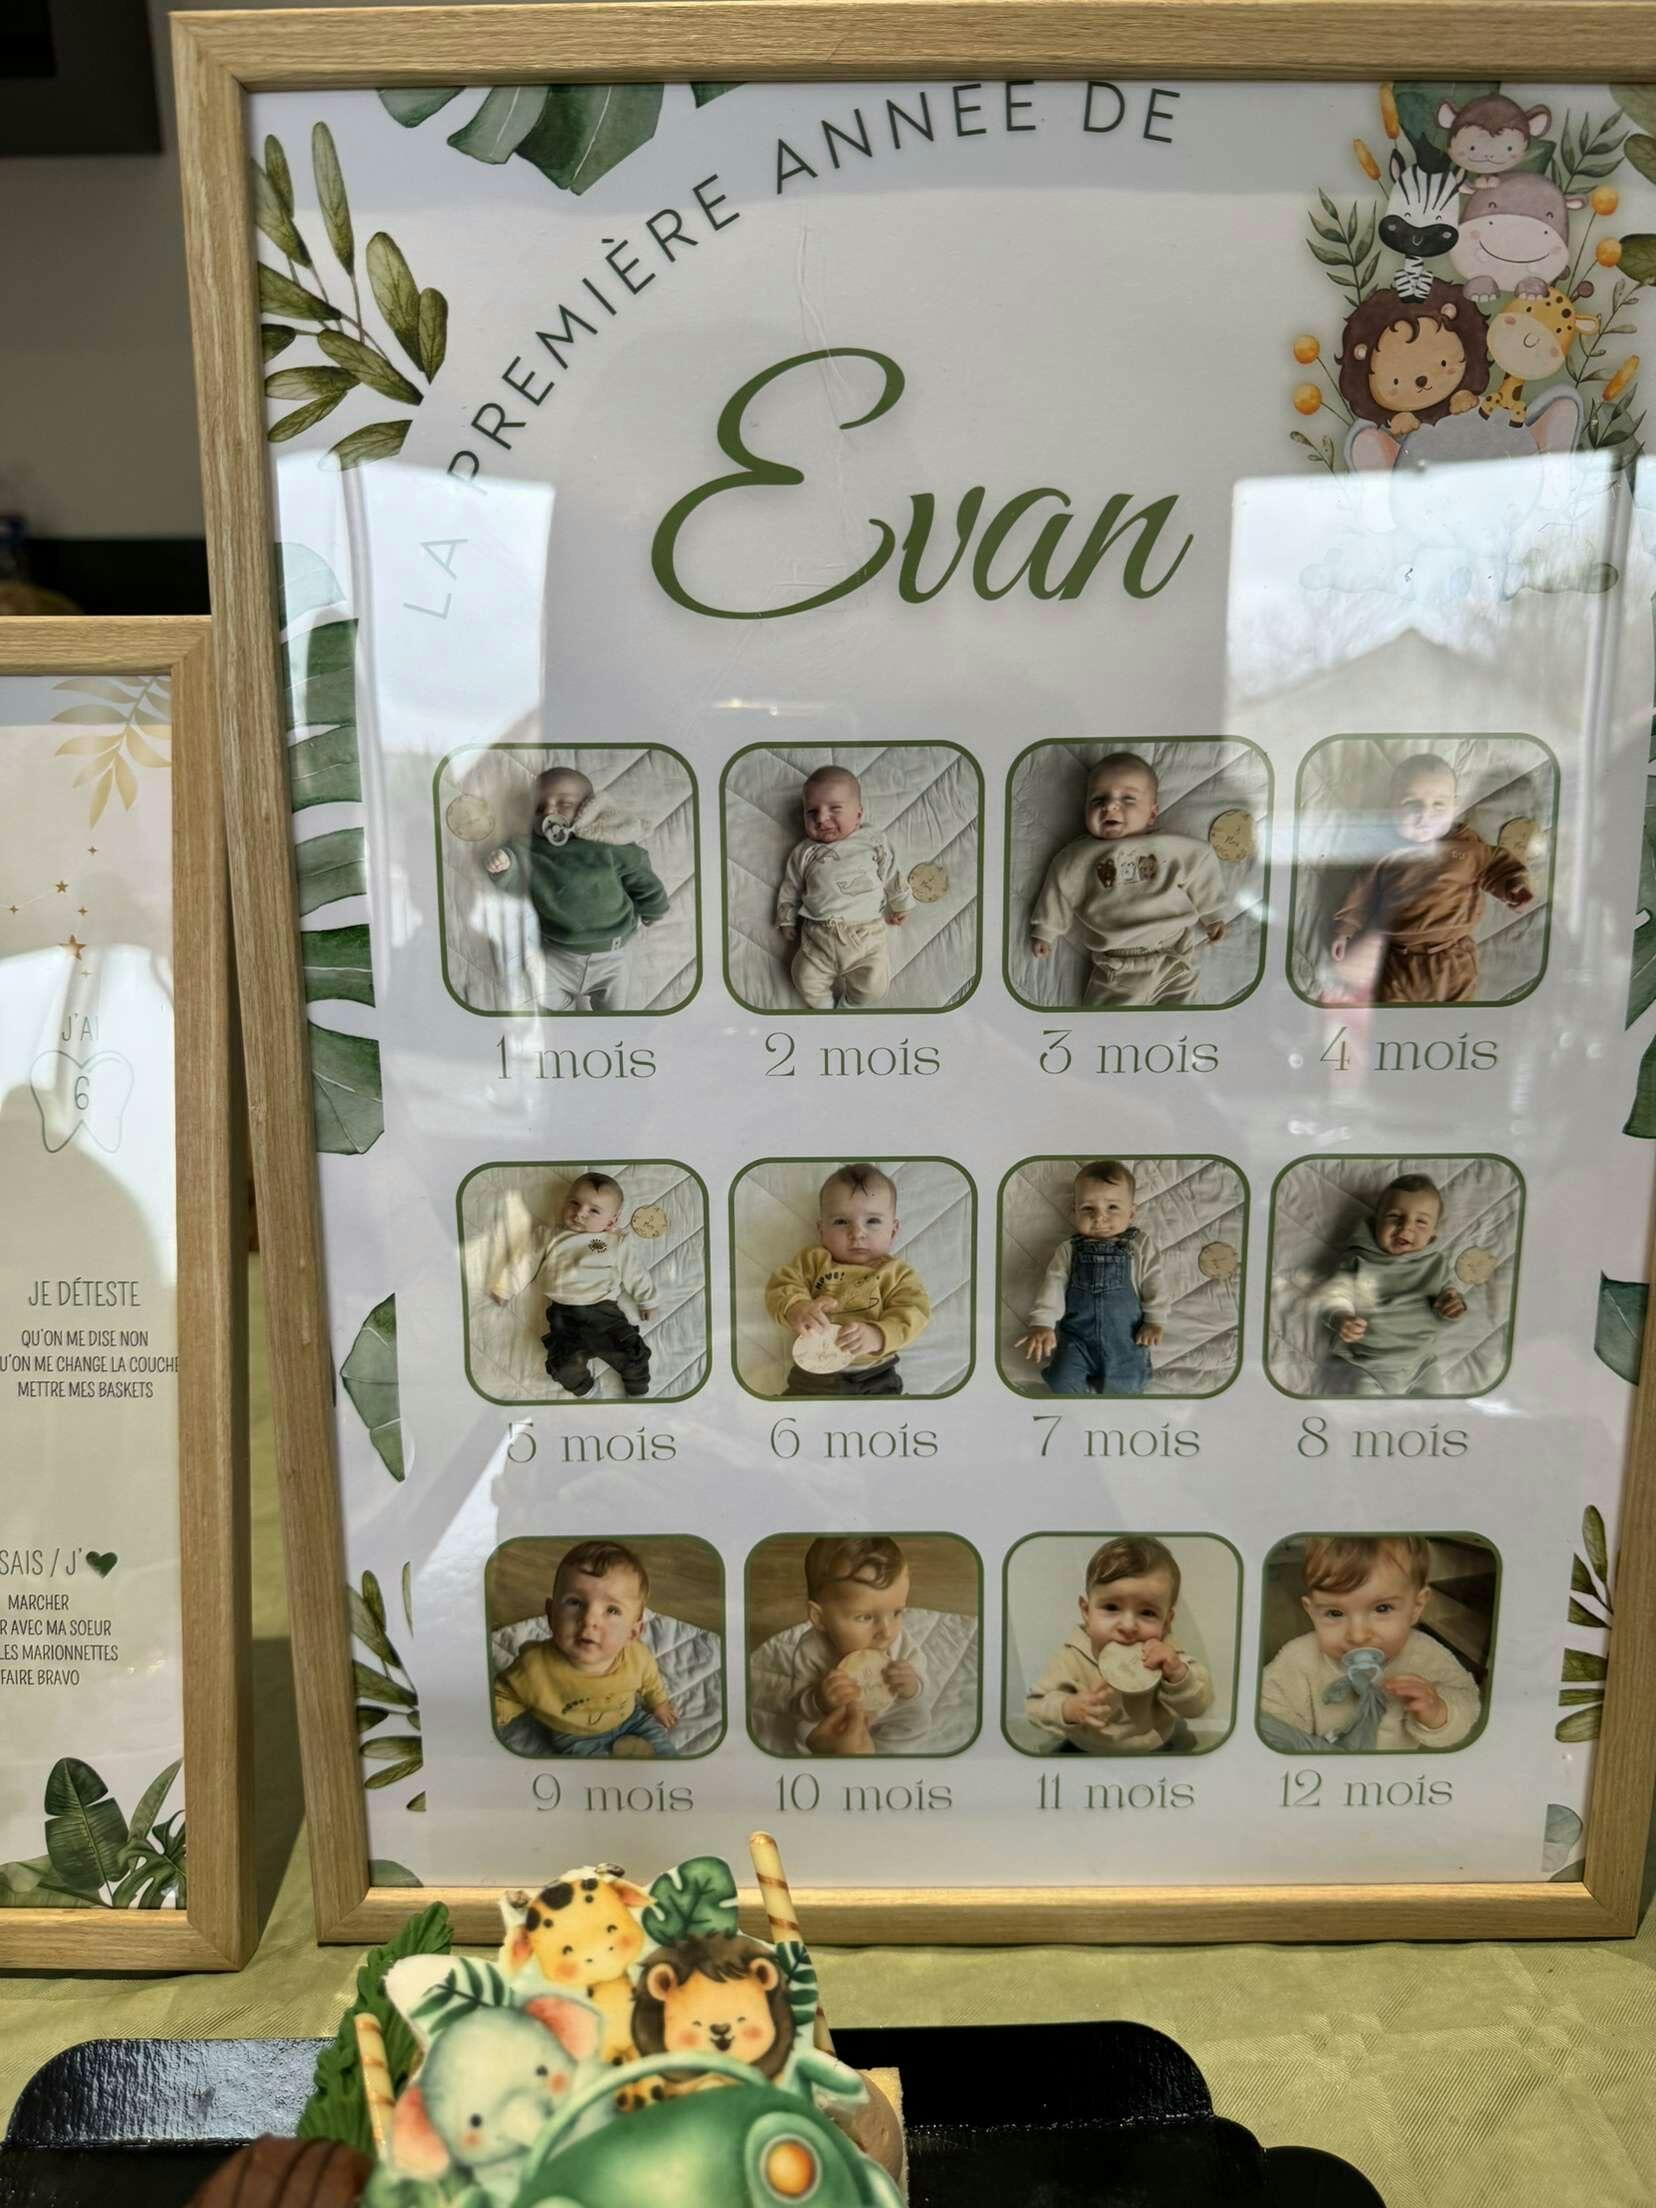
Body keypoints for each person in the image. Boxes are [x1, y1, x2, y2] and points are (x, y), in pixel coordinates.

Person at [1327, 751, 1533, 1006]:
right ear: (1392, 807)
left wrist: (1513, 884)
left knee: (1455, 1022)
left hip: (1453, 958)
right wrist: (1345, 930)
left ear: (1454, 807)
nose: (1425, 815)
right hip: (1396, 962)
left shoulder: (1466, 846)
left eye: (1439, 805)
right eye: (1412, 804)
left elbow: (1495, 865)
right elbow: (1361, 893)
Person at [1028, 752, 1226, 1007]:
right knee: (1107, 1027)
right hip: (1116, 968)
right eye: (1098, 799)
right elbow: (1057, 889)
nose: (1110, 806)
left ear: (1152, 813)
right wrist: (1046, 930)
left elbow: (1202, 863)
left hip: (1173, 957)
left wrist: (1212, 913)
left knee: (1184, 1024)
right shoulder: (1077, 857)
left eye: (1128, 798)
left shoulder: (1171, 846)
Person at [1259, 1535, 1482, 1752]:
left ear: (1416, 1607)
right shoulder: (1298, 1658)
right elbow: (1268, 1717)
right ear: (1312, 1612)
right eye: (1335, 1613)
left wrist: (1439, 1711)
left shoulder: (1425, 1654)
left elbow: (1468, 1701)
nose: (1358, 1636)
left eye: (1382, 1608)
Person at [484, 764, 668, 1011]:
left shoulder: (609, 845)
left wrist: (654, 909)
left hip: (612, 954)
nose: (549, 811)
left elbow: (642, 878)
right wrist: (504, 864)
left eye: (564, 803)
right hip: (558, 953)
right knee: (533, 986)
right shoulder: (529, 849)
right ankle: (566, 1009)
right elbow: (517, 883)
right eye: (539, 808)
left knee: (616, 1012)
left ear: (587, 809)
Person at [1023, 1535, 1212, 1753]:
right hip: (1087, 1746)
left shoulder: (1167, 1657)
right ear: (1086, 1611)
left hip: (1153, 1745)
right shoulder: (1071, 1657)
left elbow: (1196, 1707)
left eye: (1147, 1612)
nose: (1128, 1626)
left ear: (1167, 1621)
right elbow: (1034, 1707)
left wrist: (1178, 1675)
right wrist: (1067, 1709)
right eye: (1111, 1607)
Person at [493, 1540, 679, 1757]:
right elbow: (505, 1693)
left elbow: (650, 1680)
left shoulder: (637, 1657)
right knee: (597, 1773)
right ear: (551, 1614)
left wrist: (659, 1703)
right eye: (575, 1602)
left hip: (632, 1719)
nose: (589, 1619)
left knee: (666, 1757)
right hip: (574, 1735)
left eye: (612, 1610)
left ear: (632, 1632)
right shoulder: (533, 1666)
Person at [764, 1163, 930, 1397]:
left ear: (893, 1231)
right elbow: (782, 1285)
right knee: (793, 1412)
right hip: (814, 1370)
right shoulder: (813, 1261)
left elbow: (914, 1312)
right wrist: (797, 1308)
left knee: (890, 1414)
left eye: (872, 1221)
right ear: (821, 1229)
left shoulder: (897, 1274)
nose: (857, 1233)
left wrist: (878, 1335)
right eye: (841, 1221)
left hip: (874, 1373)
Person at [488, 1171, 657, 1399]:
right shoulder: (548, 1236)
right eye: (574, 1203)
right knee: (562, 1364)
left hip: (603, 1312)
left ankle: (637, 1391)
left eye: (594, 1210)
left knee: (632, 1353)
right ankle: (587, 1391)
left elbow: (635, 1273)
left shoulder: (614, 1242)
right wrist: (505, 1287)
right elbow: (524, 1262)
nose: (579, 1213)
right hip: (563, 1316)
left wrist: (647, 1300)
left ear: (612, 1221)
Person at [764, 1536, 931, 1757]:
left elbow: (921, 1678)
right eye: (865, 1617)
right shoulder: (810, 1651)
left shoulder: (900, 1642)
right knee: (804, 1732)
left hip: (887, 1711)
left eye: (897, 1612)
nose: (887, 1631)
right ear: (820, 1618)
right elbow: (797, 1704)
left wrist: (912, 1685)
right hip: (836, 1718)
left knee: (919, 1719)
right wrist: (819, 1700)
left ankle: (884, 1755)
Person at [1017, 1160, 1167, 1396]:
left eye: (1112, 1207)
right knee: (1060, 1381)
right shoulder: (1069, 1249)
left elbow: (1154, 1281)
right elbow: (1053, 1284)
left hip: (1126, 1340)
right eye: (1088, 1208)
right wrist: (1042, 1323)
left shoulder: (1139, 1245)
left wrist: (1155, 1320)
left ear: (1131, 1212)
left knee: (1127, 1387)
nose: (1099, 1217)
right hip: (1077, 1341)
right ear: (1074, 1210)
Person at [776, 764, 911, 1008]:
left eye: (834, 809)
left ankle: (849, 1007)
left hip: (865, 935)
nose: (821, 818)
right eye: (811, 812)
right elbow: (791, 886)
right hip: (818, 936)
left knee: (874, 986)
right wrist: (786, 918)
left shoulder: (872, 840)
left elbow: (891, 872)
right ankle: (825, 1010)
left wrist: (900, 902)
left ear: (858, 814)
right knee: (804, 978)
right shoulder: (805, 851)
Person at [1319, 1173, 1464, 1397]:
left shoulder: (1436, 1265)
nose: (1405, 1228)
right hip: (1367, 1365)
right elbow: (1332, 1297)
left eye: (1421, 1222)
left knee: (1433, 1409)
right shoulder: (1359, 1260)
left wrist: (1453, 1307)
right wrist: (1341, 1318)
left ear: (1434, 1231)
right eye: (1394, 1216)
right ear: (1376, 1221)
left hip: (1420, 1365)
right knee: (1363, 1411)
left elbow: (1450, 1302)